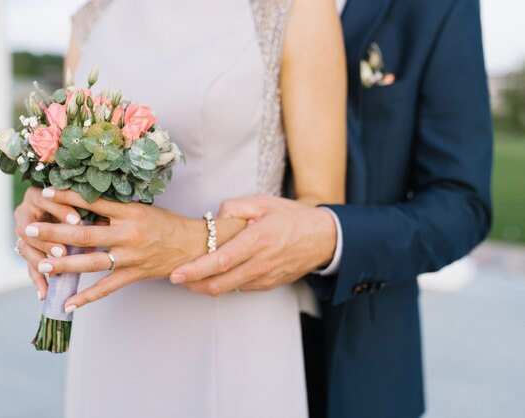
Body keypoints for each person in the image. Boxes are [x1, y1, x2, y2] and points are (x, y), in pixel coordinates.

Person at [15, 0, 347, 417]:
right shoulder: (94, 15)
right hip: (107, 320)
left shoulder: (294, 8)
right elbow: (71, 158)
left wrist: (189, 241)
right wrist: (45, 207)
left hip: (229, 319)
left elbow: (320, 211)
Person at [169, 0, 494, 417]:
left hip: (355, 356)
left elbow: (461, 204)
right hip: (200, 330)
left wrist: (330, 236)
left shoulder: (438, 8)